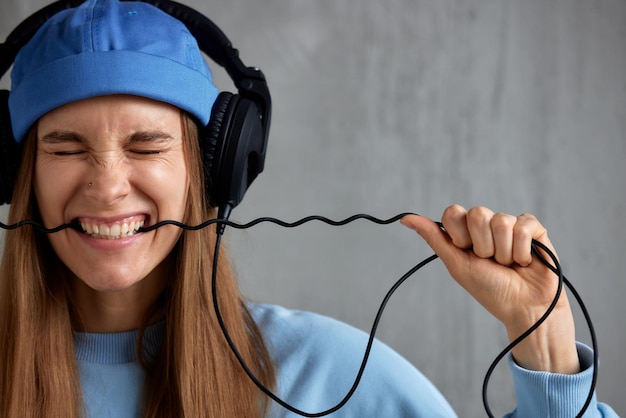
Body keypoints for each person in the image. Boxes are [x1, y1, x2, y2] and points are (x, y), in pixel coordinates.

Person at [0, 0, 618, 417]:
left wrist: (544, 344)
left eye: (147, 145)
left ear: (213, 167)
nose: (107, 187)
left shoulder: (330, 375)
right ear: (20, 174)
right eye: (65, 146)